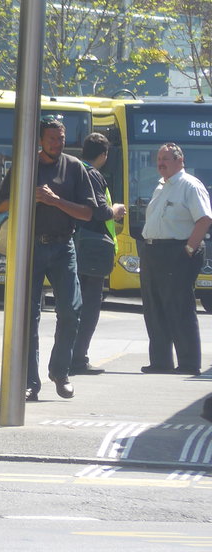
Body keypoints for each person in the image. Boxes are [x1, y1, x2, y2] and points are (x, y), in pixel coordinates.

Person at [0, 115, 98, 401]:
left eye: (61, 138)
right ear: (40, 140)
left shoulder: (75, 168)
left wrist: (55, 201)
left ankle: (59, 371)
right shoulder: (25, 166)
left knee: (71, 310)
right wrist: (28, 194)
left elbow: (88, 213)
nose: (57, 143)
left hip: (63, 247)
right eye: (52, 138)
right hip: (30, 248)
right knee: (28, 316)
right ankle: (30, 382)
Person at [138, 142, 210, 376]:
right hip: (153, 252)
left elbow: (204, 219)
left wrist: (189, 249)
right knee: (154, 307)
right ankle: (161, 361)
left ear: (180, 161)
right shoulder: (161, 186)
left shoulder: (189, 185)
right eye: (159, 158)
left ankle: (189, 362)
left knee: (179, 307)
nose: (160, 163)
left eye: (166, 158)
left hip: (177, 251)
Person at [71, 132, 126, 375]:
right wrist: (116, 209)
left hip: (76, 245)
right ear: (103, 155)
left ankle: (71, 355)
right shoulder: (93, 175)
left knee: (74, 305)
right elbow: (100, 212)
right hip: (91, 251)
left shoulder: (72, 170)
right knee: (90, 306)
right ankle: (78, 358)